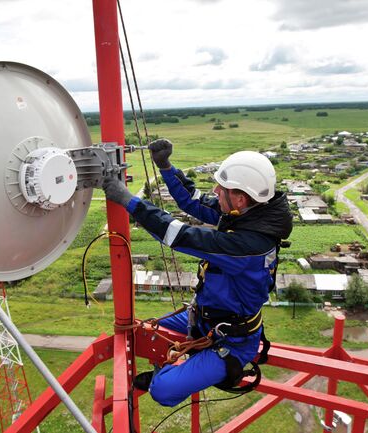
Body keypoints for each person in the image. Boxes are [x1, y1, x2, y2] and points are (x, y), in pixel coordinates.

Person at [102, 138, 292, 407]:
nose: (215, 191)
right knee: (142, 332)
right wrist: (166, 167)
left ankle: (164, 375)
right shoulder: (247, 214)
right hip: (204, 317)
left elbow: (179, 235)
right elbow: (193, 202)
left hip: (233, 340)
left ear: (239, 197)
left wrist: (128, 201)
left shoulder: (249, 246)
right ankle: (180, 366)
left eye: (221, 189)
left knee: (164, 391)